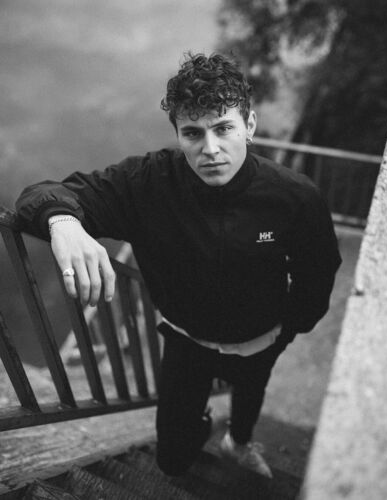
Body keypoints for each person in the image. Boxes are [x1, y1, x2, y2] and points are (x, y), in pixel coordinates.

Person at [16, 52, 342, 478]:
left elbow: (318, 274)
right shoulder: (149, 182)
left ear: (249, 125)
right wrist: (63, 221)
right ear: (178, 135)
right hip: (186, 342)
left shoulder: (295, 197)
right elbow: (40, 195)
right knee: (171, 461)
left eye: (223, 128)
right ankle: (199, 426)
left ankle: (239, 441)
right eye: (193, 133)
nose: (210, 149)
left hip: (261, 339)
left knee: (249, 399)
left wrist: (288, 329)